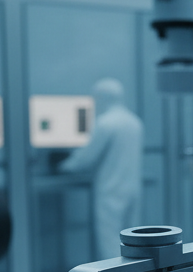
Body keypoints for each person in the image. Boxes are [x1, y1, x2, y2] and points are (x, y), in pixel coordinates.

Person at [60, 78, 143, 260]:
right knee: (132, 238)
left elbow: (86, 158)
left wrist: (65, 166)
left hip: (111, 190)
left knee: (110, 240)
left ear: (102, 98)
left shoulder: (106, 123)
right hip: (131, 188)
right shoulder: (134, 122)